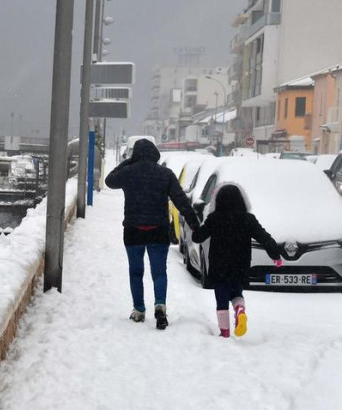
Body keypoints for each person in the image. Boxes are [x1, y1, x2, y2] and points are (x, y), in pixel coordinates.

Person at [105, 138, 200, 330]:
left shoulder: (128, 172)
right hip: (158, 230)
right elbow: (181, 201)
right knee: (159, 272)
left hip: (133, 230)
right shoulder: (165, 174)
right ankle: (160, 306)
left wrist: (130, 161)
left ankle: (139, 311)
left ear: (136, 155)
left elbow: (109, 180)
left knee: (136, 272)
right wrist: (195, 225)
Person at [191, 184, 281, 338]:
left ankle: (225, 333)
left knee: (221, 300)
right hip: (240, 264)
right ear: (241, 200)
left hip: (219, 265)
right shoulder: (248, 219)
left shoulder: (214, 219)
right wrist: (275, 255)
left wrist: (195, 227)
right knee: (236, 293)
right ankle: (240, 309)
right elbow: (263, 237)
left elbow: (198, 238)